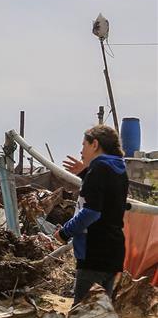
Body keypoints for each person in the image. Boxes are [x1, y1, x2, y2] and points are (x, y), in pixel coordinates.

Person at [56, 124, 128, 303]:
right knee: (100, 314)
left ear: (94, 144)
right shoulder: (118, 169)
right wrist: (85, 173)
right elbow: (106, 197)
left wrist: (65, 232)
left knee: (83, 315)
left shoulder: (99, 169)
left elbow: (91, 212)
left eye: (83, 146)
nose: (81, 151)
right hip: (113, 252)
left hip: (94, 252)